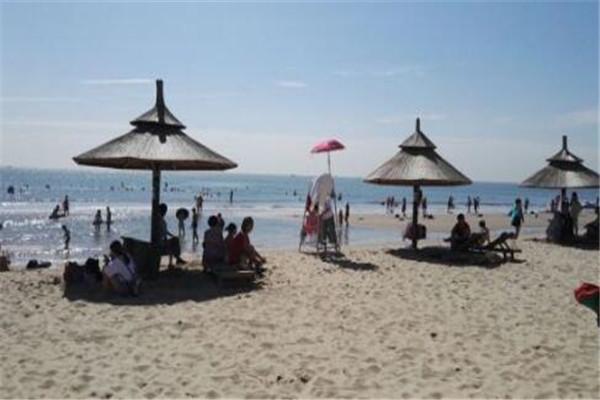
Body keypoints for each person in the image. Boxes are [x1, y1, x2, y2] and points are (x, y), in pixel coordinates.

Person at [158, 203, 186, 267]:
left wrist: (172, 235)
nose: (165, 213)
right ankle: (175, 260)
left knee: (175, 239)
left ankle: (177, 259)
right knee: (174, 242)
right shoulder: (161, 220)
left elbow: (165, 231)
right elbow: (164, 233)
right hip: (160, 242)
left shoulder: (159, 219)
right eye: (165, 211)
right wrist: (167, 239)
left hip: (160, 241)